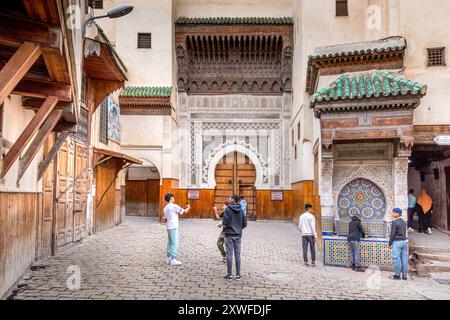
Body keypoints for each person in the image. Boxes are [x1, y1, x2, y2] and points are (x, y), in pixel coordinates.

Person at [221, 194, 247, 282]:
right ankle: (238, 276)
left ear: (232, 199)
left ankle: (229, 276)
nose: (228, 199)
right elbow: (244, 223)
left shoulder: (228, 209)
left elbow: (225, 222)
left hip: (229, 234)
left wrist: (222, 226)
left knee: (229, 254)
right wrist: (238, 229)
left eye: (229, 198)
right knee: (238, 255)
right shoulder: (241, 210)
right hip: (238, 235)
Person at [163, 193, 190, 266]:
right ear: (171, 199)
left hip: (168, 226)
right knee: (175, 243)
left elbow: (165, 218)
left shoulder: (165, 207)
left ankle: (168, 258)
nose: (174, 199)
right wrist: (188, 207)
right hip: (173, 226)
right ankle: (173, 259)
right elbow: (185, 212)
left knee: (170, 242)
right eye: (173, 198)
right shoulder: (174, 206)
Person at [388, 208, 408, 280]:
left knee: (396, 258)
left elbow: (392, 234)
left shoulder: (395, 222)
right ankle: (404, 275)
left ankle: (397, 275)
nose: (392, 214)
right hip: (404, 242)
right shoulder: (403, 222)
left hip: (397, 242)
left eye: (393, 213)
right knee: (403, 259)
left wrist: (390, 244)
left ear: (397, 213)